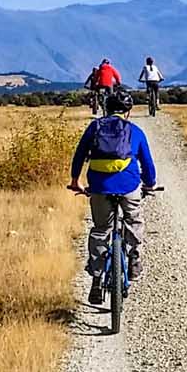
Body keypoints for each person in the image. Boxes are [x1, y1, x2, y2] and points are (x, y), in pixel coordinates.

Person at [67, 89, 158, 306]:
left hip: (99, 186)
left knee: (100, 230)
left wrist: (75, 181)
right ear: (128, 111)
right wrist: (150, 184)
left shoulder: (94, 127)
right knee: (134, 220)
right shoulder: (135, 131)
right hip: (129, 186)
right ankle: (134, 258)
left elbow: (79, 155)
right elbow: (148, 165)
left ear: (106, 108)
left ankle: (97, 280)